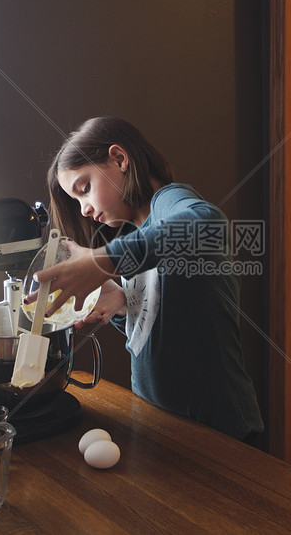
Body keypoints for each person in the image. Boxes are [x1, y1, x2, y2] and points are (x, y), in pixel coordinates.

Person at [28, 116, 264, 442]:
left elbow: (207, 224)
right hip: (164, 426)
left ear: (120, 159)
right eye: (76, 200)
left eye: (84, 188)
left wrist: (102, 262)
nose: (83, 209)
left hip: (222, 432)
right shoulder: (137, 235)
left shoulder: (169, 202)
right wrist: (123, 306)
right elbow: (158, 329)